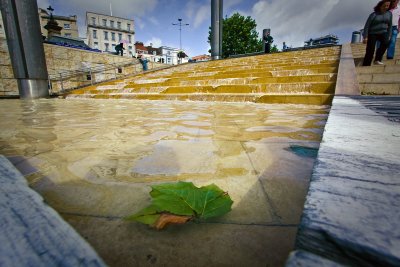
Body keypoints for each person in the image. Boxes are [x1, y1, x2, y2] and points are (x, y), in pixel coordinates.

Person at [362, 0, 392, 66]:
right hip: (372, 33)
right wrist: (365, 37)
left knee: (387, 42)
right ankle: (366, 64)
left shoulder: (389, 14)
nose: (386, 7)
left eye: (388, 6)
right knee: (370, 49)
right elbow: (367, 26)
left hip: (383, 32)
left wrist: (389, 35)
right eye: (385, 6)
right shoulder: (373, 14)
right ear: (380, 6)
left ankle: (377, 59)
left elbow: (390, 26)